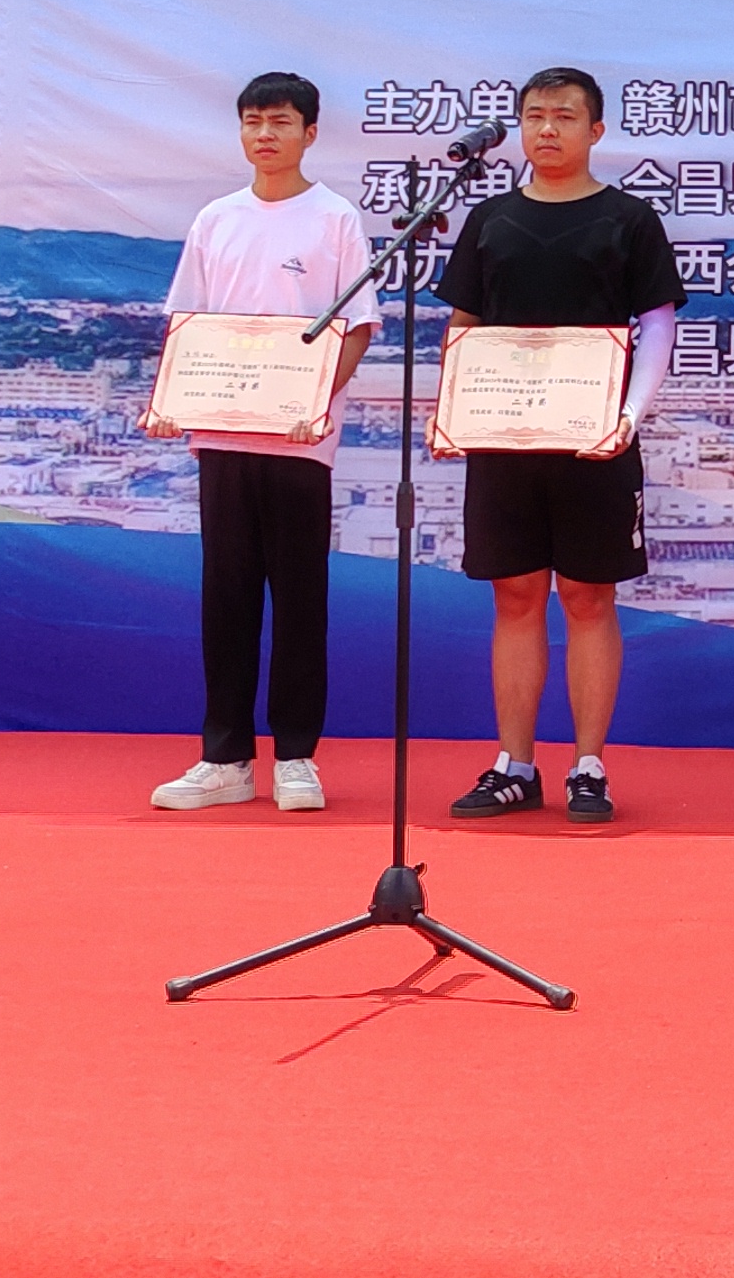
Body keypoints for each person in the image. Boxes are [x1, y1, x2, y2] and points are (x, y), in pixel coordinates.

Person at [432, 66, 682, 824]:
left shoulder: (629, 219)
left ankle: (588, 765)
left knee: (587, 596)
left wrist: (630, 415)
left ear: (595, 130)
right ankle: (514, 764)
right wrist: (454, 412)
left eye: (565, 116)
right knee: (514, 596)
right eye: (535, 115)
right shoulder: (490, 219)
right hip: (504, 441)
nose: (547, 128)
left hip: (595, 442)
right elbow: (465, 327)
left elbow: (658, 326)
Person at [143, 71, 375, 814]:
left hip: (300, 440)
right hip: (222, 435)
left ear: (311, 132)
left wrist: (318, 402)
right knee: (227, 596)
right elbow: (188, 322)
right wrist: (172, 403)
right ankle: (226, 759)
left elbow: (358, 326)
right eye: (252, 121)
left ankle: (297, 757)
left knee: (300, 598)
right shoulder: (217, 219)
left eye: (280, 121)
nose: (265, 135)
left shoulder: (334, 218)